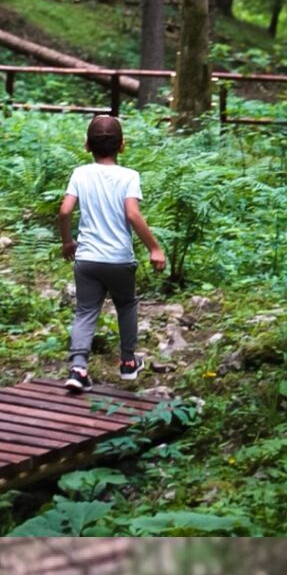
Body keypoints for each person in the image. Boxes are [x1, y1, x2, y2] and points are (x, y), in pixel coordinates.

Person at [58, 111, 166, 393]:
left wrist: (68, 241)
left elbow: (65, 210)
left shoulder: (80, 174)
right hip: (118, 259)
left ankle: (78, 368)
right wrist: (154, 247)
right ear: (122, 145)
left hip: (87, 258)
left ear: (87, 145)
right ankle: (129, 362)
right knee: (126, 305)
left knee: (85, 311)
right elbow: (132, 213)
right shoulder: (129, 176)